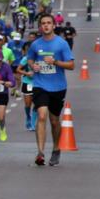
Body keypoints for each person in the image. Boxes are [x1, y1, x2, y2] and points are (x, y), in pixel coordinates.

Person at [26, 13, 75, 166]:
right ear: (40, 27)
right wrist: (32, 65)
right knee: (41, 115)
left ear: (54, 25)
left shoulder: (61, 44)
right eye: (43, 23)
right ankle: (40, 152)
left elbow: (71, 65)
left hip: (58, 87)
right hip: (40, 85)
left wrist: (55, 62)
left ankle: (55, 149)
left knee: (54, 121)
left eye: (48, 23)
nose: (46, 25)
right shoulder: (36, 44)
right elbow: (30, 58)